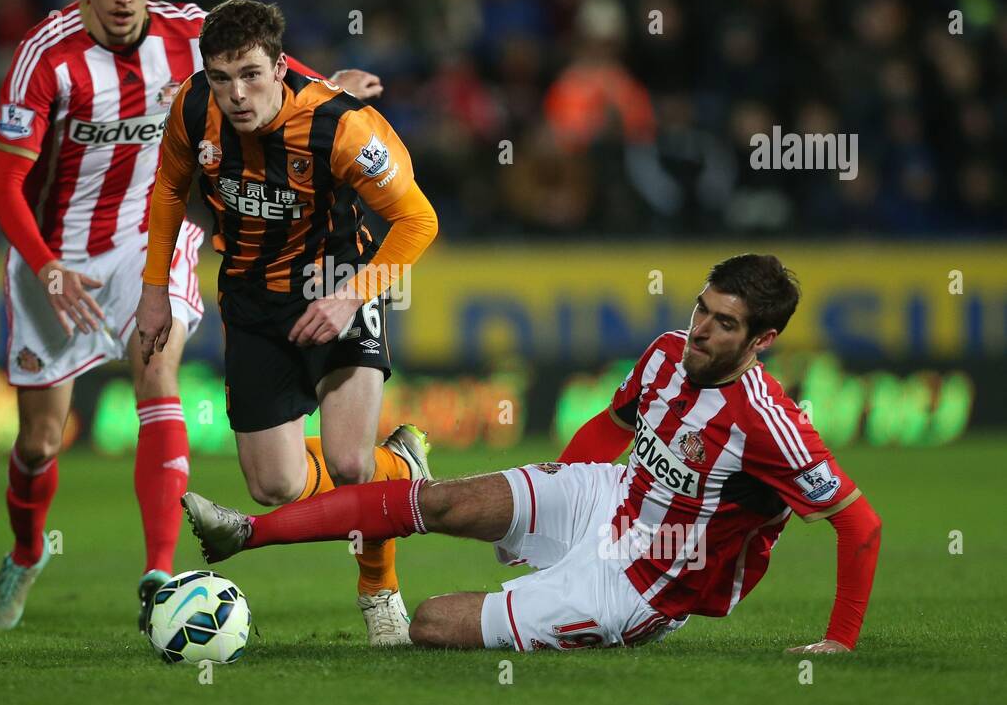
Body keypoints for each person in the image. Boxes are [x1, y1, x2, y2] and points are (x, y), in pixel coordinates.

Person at [0, 0, 383, 631]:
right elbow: (4, 187)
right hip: (57, 257)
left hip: (152, 236)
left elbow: (261, 63)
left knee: (157, 372)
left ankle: (159, 574)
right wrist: (44, 267)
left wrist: (329, 87)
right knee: (39, 443)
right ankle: (27, 549)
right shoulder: (48, 54)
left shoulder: (187, 31)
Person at [182, 254, 882, 654]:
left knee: (430, 623)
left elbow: (861, 525)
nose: (699, 329)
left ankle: (581, 615)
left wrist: (840, 640)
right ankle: (246, 532)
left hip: (640, 584)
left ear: (761, 341)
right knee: (445, 500)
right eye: (701, 307)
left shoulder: (771, 426)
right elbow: (613, 425)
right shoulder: (669, 352)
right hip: (608, 497)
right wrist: (552, 501)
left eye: (722, 324)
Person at [136, 0, 440, 645]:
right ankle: (401, 466)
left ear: (280, 66)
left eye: (250, 74)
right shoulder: (193, 108)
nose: (236, 94)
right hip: (249, 298)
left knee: (348, 463)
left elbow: (418, 221)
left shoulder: (343, 129)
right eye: (221, 77)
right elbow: (167, 189)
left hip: (336, 286)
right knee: (273, 484)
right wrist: (155, 290)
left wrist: (352, 296)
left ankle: (379, 592)